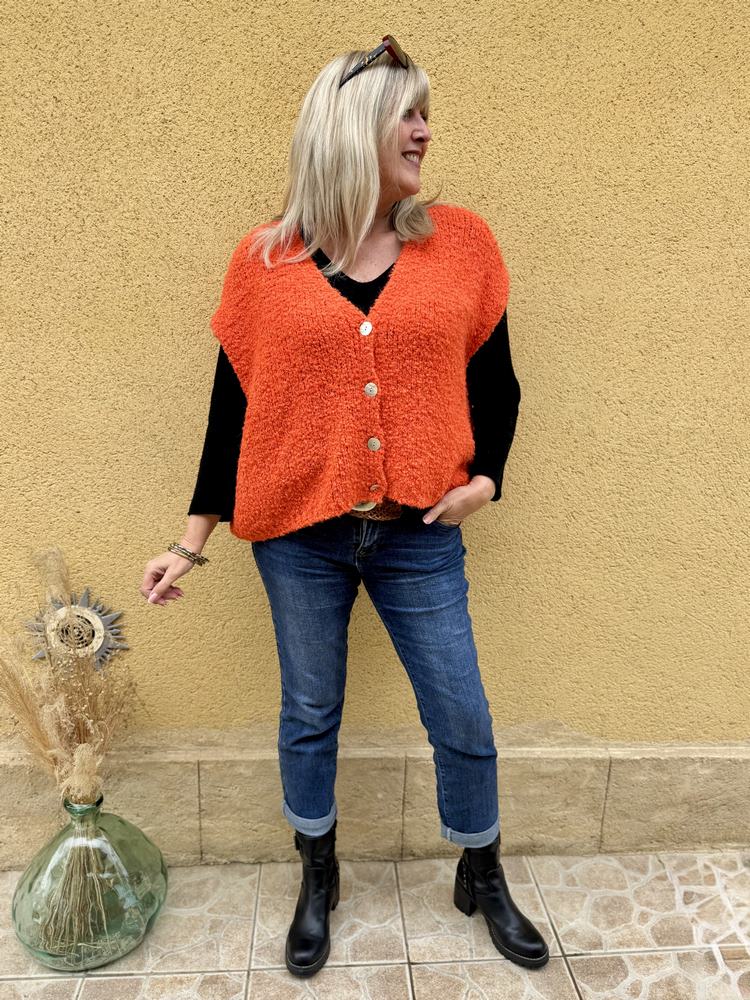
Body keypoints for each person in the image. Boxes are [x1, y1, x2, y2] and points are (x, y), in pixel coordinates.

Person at [140, 35, 549, 979]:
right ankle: (317, 872)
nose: (425, 130)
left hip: (418, 534)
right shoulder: (265, 260)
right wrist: (189, 543)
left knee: (461, 710)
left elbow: (498, 385)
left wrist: (485, 481)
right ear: (350, 128)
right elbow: (234, 411)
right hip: (299, 537)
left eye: (426, 113)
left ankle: (481, 868)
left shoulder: (461, 244)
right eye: (407, 113)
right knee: (311, 708)